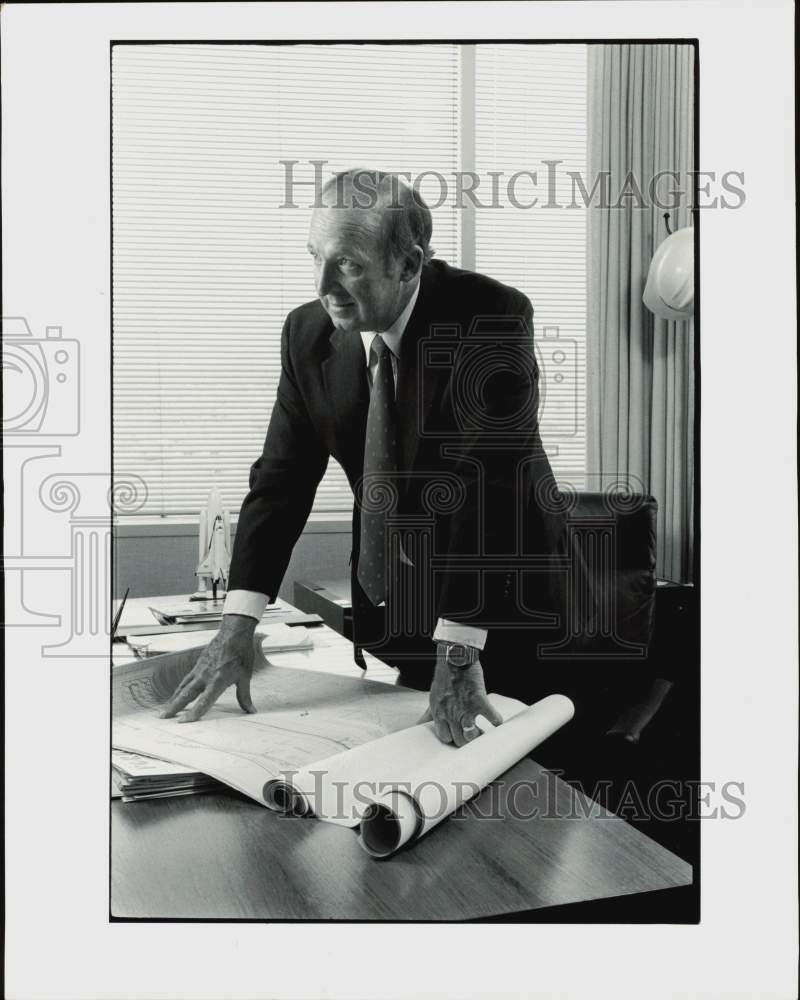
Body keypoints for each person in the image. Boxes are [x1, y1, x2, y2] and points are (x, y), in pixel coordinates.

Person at [161, 168, 571, 745]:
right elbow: (281, 480)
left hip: (505, 604)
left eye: (347, 264)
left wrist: (457, 652)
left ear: (409, 264)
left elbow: (488, 490)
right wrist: (237, 625)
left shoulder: (491, 319)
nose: (324, 285)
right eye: (315, 257)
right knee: (405, 778)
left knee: (507, 793)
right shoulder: (308, 334)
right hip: (399, 605)